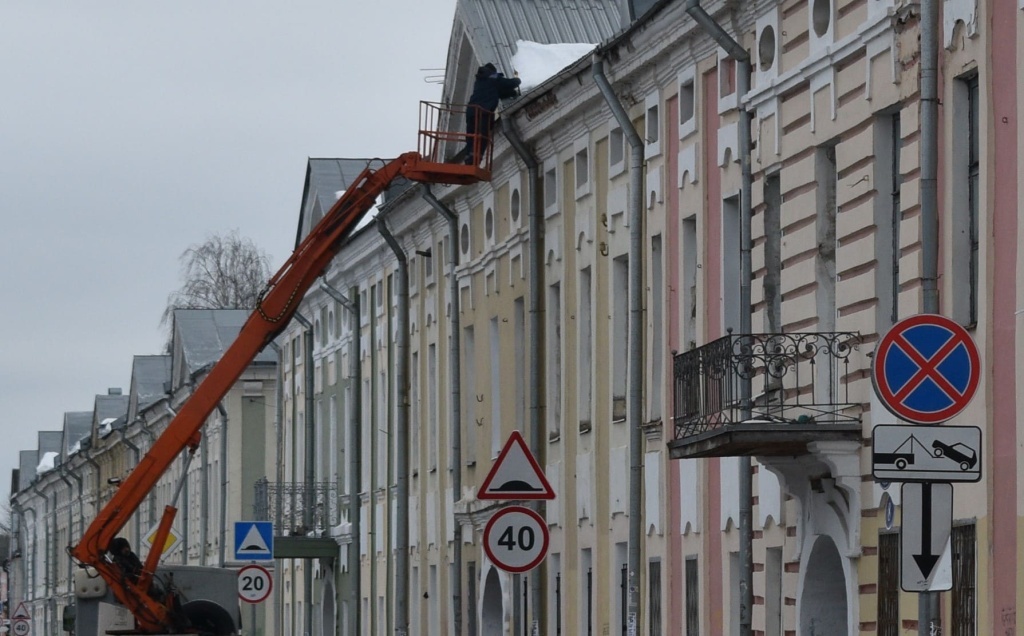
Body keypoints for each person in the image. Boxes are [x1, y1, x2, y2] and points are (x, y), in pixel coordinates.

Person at [463, 62, 521, 165]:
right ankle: (475, 160)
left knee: (472, 136)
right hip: (483, 112)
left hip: (471, 111)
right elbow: (508, 83)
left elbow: (496, 91)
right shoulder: (493, 77)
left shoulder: (480, 80)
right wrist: (518, 80)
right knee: (482, 137)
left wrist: (512, 93)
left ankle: (469, 159)